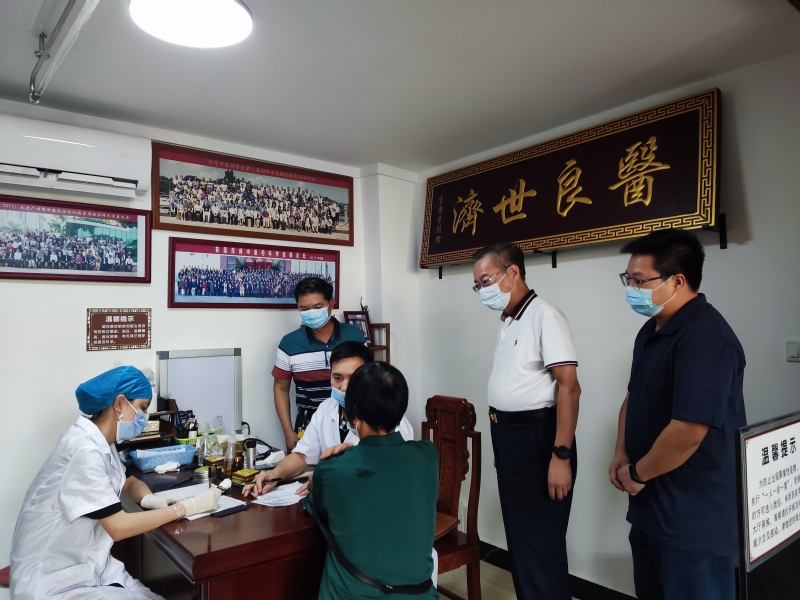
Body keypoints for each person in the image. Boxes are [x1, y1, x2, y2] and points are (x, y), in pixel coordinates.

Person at [609, 229, 746, 600]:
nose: (631, 289)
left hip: (692, 520)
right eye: (628, 279)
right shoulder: (651, 330)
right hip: (649, 508)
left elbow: (688, 430)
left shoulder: (705, 338)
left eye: (639, 280)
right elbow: (633, 396)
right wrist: (621, 452)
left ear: (677, 281)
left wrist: (637, 472)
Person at [10, 366, 221, 600]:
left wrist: (151, 499)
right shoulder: (83, 449)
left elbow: (128, 482)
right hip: (50, 583)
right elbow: (119, 527)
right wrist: (186, 508)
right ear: (119, 404)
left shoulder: (101, 440)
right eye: (142, 408)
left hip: (87, 568)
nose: (145, 418)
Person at [472, 242, 581, 600]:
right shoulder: (509, 320)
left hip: (540, 439)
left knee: (541, 544)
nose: (482, 291)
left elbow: (569, 388)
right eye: (477, 285)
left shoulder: (544, 315)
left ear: (513, 272)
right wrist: (502, 441)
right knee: (521, 542)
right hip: (510, 439)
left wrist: (561, 456)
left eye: (485, 281)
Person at [304, 362, 439, 599]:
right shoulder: (428, 455)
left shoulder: (333, 467)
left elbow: (314, 507)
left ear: (353, 412)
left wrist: (324, 470)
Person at [245, 342, 414, 498]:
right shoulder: (326, 408)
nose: (344, 387)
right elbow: (302, 455)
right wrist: (274, 474)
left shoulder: (391, 420)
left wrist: (325, 477)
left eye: (353, 379)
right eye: (337, 378)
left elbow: (394, 476)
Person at [272, 277, 365, 452]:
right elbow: (280, 389)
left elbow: (368, 378)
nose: (311, 313)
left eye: (317, 307)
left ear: (331, 304)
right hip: (308, 423)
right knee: (305, 467)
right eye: (304, 309)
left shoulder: (354, 336)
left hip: (353, 421)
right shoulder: (289, 343)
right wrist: (288, 431)